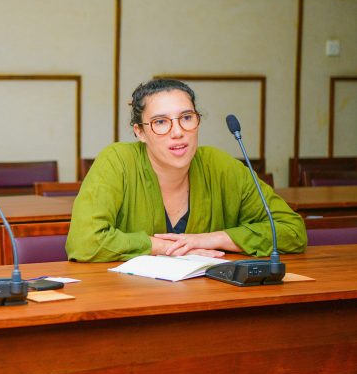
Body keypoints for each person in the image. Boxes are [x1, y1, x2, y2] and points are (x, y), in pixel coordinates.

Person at [66, 79, 306, 262]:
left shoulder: (222, 166)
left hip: (208, 298)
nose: (178, 131)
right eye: (160, 122)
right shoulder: (117, 161)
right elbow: (85, 241)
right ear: (140, 132)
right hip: (129, 298)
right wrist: (164, 247)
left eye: (187, 117)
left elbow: (292, 230)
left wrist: (214, 239)